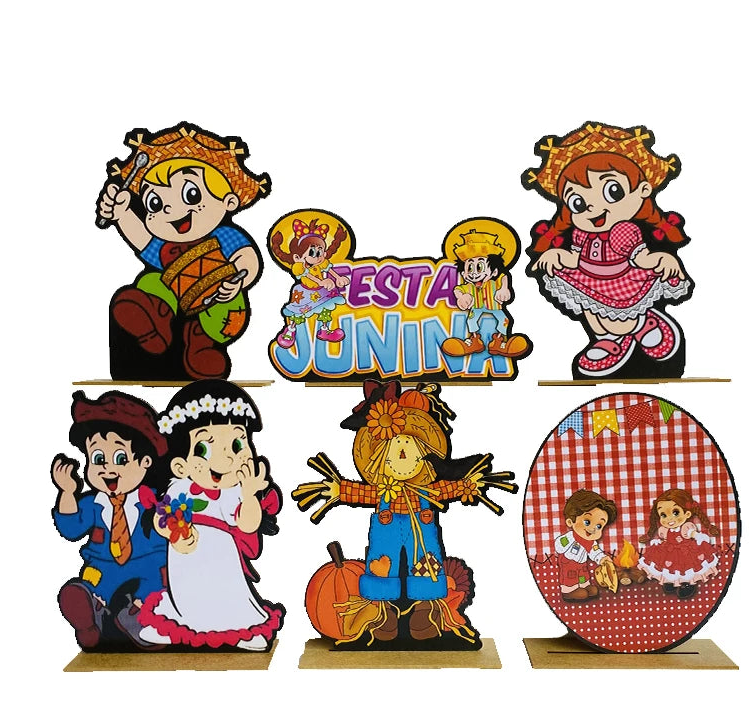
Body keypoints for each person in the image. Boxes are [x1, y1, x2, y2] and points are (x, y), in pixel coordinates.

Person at [295, 381, 516, 644]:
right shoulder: (383, 490)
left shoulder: (427, 490)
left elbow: (445, 489)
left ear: (425, 454)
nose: (402, 451)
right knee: (381, 563)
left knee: (426, 562)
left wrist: (468, 485)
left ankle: (426, 612)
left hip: (421, 524)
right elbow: (363, 493)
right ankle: (383, 615)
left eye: (410, 445)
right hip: (386, 526)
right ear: (379, 457)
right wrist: (339, 490)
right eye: (393, 446)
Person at [97, 124, 271, 379]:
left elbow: (246, 256)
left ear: (229, 201)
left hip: (219, 300)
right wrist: (122, 213)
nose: (169, 209)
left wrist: (239, 279)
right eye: (154, 203)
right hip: (175, 300)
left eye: (190, 194)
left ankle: (202, 347)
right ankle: (156, 321)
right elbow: (143, 240)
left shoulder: (223, 236)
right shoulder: (165, 246)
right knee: (151, 281)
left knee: (223, 307)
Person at [524, 123, 692, 376]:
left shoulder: (625, 230)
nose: (592, 208)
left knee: (620, 320)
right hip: (587, 278)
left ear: (643, 190)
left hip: (622, 280)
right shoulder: (580, 233)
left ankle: (641, 325)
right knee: (592, 315)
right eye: (578, 202)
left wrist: (662, 259)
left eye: (612, 191)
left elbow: (641, 257)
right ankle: (609, 340)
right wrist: (555, 254)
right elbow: (574, 258)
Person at [137, 381, 284, 650]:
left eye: (237, 444)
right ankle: (181, 623)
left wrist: (250, 495)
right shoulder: (180, 488)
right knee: (187, 593)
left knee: (228, 594)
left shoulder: (236, 492)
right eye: (204, 449)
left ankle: (240, 629)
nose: (226, 459)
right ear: (180, 465)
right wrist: (172, 533)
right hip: (185, 560)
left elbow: (248, 525)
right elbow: (161, 516)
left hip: (223, 558)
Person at [51, 391, 168, 649]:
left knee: (155, 589)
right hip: (103, 567)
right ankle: (92, 618)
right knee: (92, 587)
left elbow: (170, 531)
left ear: (145, 462)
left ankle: (140, 619)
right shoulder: (92, 504)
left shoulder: (153, 502)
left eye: (120, 459)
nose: (107, 468)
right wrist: (67, 492)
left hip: (148, 566)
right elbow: (70, 528)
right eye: (97, 459)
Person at [441, 229, 529, 358]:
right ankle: (474, 341)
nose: (474, 273)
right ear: (464, 273)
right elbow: (458, 289)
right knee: (471, 320)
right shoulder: (469, 286)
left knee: (504, 319)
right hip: (476, 307)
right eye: (470, 268)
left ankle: (499, 342)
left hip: (495, 306)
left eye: (479, 267)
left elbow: (504, 277)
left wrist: (504, 289)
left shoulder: (495, 282)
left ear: (494, 272)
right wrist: (461, 296)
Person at [270, 218, 351, 347]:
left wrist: (338, 278)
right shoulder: (299, 267)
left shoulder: (321, 262)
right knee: (299, 312)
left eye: (320, 251)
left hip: (321, 290)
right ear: (297, 257)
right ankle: (290, 330)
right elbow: (308, 275)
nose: (318, 257)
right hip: (305, 292)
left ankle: (324, 330)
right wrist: (321, 281)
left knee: (325, 309)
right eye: (313, 252)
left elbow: (328, 269)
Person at [638, 489, 719, 598]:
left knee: (686, 569)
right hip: (670, 551)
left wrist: (699, 537)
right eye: (663, 515)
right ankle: (671, 582)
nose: (669, 518)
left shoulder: (686, 528)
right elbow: (665, 539)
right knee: (669, 567)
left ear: (687, 513)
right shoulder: (664, 530)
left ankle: (687, 584)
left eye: (675, 512)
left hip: (686, 551)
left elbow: (693, 534)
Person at [554, 489, 616, 602]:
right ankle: (568, 591)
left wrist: (602, 558)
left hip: (582, 563)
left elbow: (595, 552)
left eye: (599, 526)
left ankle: (584, 586)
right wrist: (564, 546)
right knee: (570, 576)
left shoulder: (591, 543)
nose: (593, 529)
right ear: (570, 522)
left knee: (583, 575)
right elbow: (559, 546)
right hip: (568, 562)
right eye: (587, 522)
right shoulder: (569, 538)